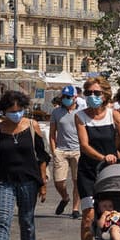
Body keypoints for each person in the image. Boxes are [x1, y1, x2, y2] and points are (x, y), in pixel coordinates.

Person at [0, 91, 50, 240]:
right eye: (11, 111)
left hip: (29, 181)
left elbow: (42, 156)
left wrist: (43, 183)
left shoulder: (32, 125)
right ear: (4, 111)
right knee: (3, 219)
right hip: (5, 180)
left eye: (19, 110)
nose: (16, 114)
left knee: (26, 220)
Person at [74, 77, 120, 240]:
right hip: (89, 171)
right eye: (88, 93)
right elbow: (84, 145)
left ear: (105, 95)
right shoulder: (80, 116)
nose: (92, 97)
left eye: (96, 93)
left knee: (111, 212)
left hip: (110, 172)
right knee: (88, 215)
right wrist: (102, 157)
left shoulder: (113, 115)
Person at [48, 87, 81, 216]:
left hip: (78, 150)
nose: (66, 99)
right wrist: (54, 150)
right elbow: (52, 134)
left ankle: (75, 209)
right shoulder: (56, 112)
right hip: (61, 150)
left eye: (69, 97)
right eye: (64, 97)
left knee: (77, 180)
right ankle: (65, 197)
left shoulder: (81, 111)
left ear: (75, 97)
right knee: (58, 181)